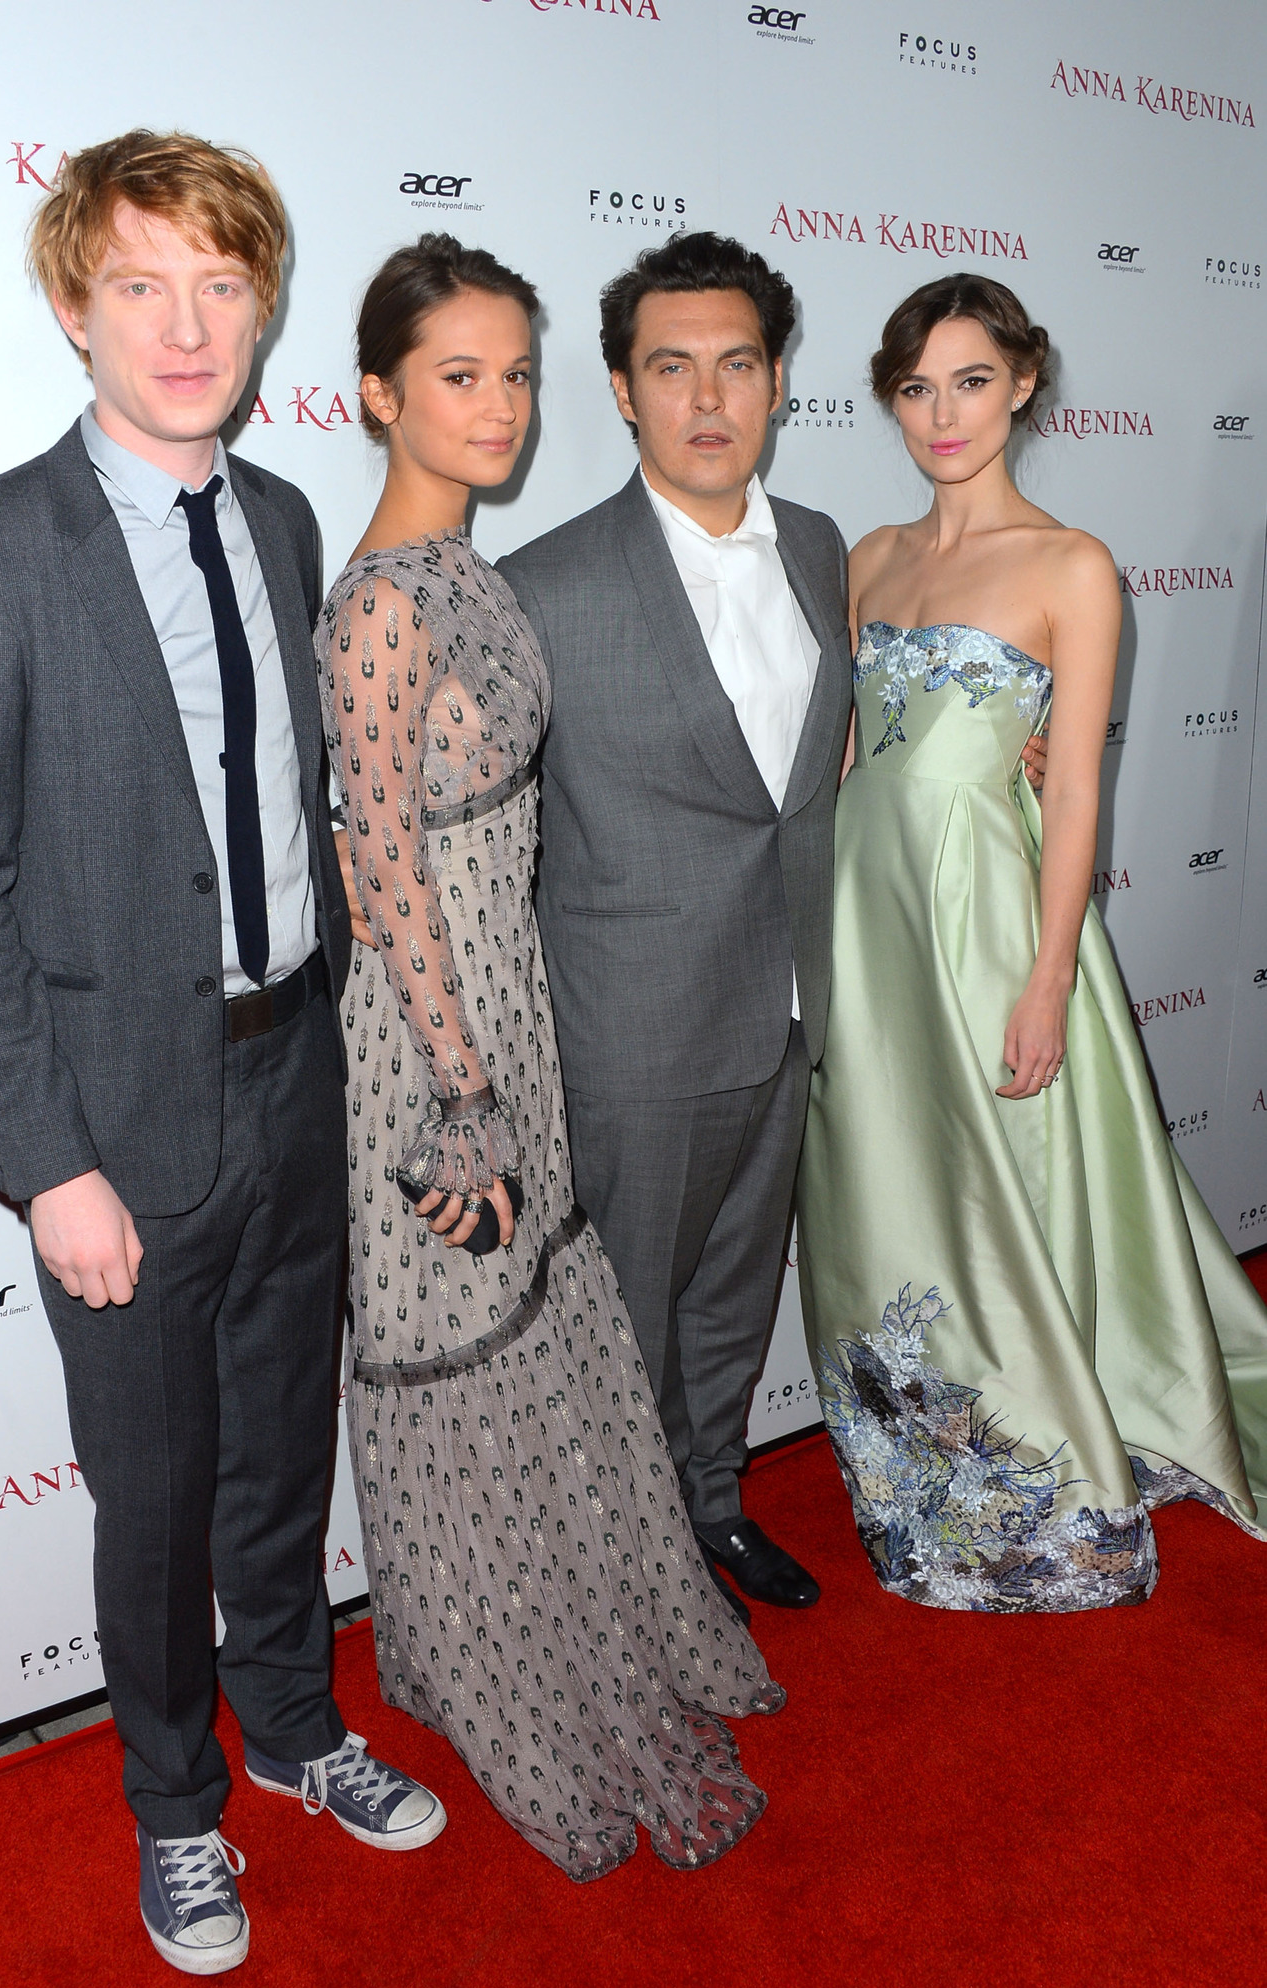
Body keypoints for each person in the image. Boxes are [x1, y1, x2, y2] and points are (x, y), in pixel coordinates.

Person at [0, 131, 444, 1979]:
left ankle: (292, 1728)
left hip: (296, 1069)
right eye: (140, 283)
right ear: (73, 308)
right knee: (148, 1493)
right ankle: (173, 1808)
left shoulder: (288, 519)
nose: (185, 322)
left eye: (219, 282)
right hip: (118, 1123)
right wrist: (49, 1163)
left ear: (264, 302)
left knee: (282, 1449)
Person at [316, 232, 784, 1883]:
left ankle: (572, 1633)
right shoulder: (378, 605)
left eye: (514, 372)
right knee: (461, 1360)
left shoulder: (475, 577)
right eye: (458, 376)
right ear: (377, 396)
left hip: (515, 999)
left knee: (538, 1344)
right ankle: (482, 1671)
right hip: (430, 1044)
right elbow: (381, 875)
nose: (498, 405)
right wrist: (462, 1102)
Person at [795, 272, 1267, 1613]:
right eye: (914, 386)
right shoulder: (867, 555)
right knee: (884, 1176)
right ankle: (904, 1455)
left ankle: (1034, 1463)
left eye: (969, 381)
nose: (941, 414)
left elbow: (1073, 788)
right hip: (860, 914)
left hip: (986, 923)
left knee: (1002, 1184)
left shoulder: (1070, 564)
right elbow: (837, 760)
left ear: (1022, 385)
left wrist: (1049, 976)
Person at [494, 232, 851, 1617]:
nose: (706, 398)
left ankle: (709, 1510)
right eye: (670, 367)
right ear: (621, 389)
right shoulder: (546, 586)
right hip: (628, 1033)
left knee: (726, 1309)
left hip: (788, 1008)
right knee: (620, 1331)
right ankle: (617, 1590)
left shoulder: (821, 551)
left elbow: (813, 784)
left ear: (774, 385)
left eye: (736, 365)